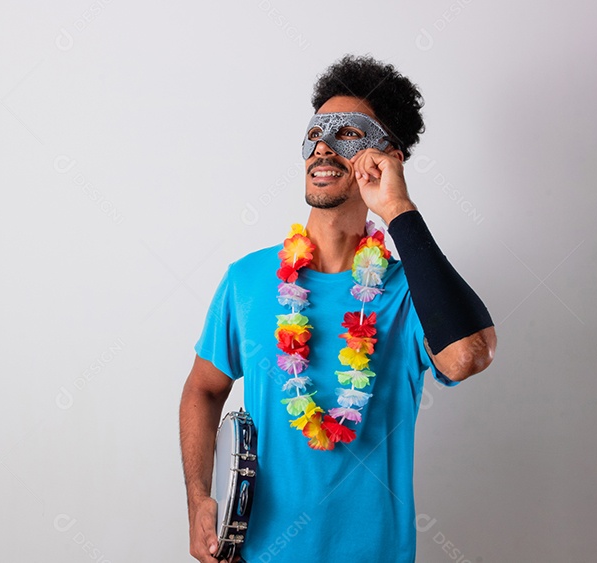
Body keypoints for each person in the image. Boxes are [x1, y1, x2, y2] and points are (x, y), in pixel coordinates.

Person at [179, 54, 498, 563]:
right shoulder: (247, 280)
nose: (322, 147)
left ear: (386, 157)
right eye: (314, 134)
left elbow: (468, 356)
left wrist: (397, 209)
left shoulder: (409, 291)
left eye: (347, 133)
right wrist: (198, 499)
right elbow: (204, 388)